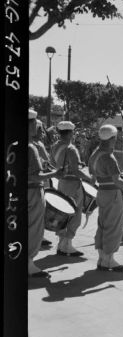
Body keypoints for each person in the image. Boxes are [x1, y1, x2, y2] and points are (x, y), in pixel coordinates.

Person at [89, 125, 123, 271]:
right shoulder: (108, 157)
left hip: (101, 192)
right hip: (112, 193)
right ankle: (109, 260)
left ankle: (101, 258)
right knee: (114, 226)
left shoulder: (95, 154)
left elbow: (92, 178)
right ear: (112, 138)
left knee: (103, 224)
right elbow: (117, 180)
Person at [28, 109, 64, 277]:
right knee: (34, 226)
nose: (38, 127)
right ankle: (28, 263)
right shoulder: (31, 147)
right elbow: (35, 175)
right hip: (32, 190)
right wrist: (54, 174)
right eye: (36, 123)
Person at [51, 121, 93, 256]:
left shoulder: (55, 146)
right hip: (73, 184)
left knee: (62, 214)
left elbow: (53, 164)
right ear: (70, 133)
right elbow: (76, 171)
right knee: (75, 216)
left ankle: (61, 244)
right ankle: (67, 245)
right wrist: (89, 178)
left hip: (62, 183)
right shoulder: (71, 148)